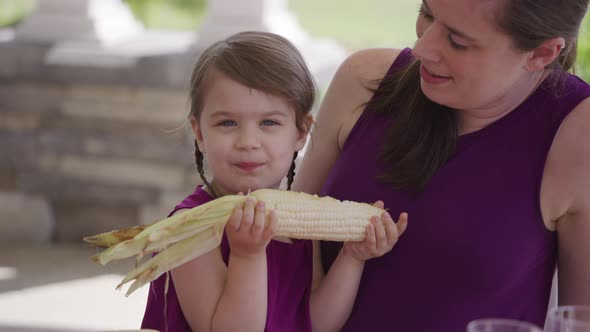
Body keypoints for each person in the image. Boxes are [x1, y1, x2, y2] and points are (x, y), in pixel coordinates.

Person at [293, 0, 590, 331]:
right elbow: (286, 257)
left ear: (541, 54)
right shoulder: (363, 81)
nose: (421, 48)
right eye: (427, 13)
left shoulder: (578, 134)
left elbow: (580, 322)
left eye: (457, 41)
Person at [140, 31, 408, 332]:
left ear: (301, 132)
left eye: (269, 123)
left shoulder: (300, 226)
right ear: (200, 133)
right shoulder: (190, 228)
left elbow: (316, 324)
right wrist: (247, 255)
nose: (248, 141)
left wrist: (352, 258)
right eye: (227, 123)